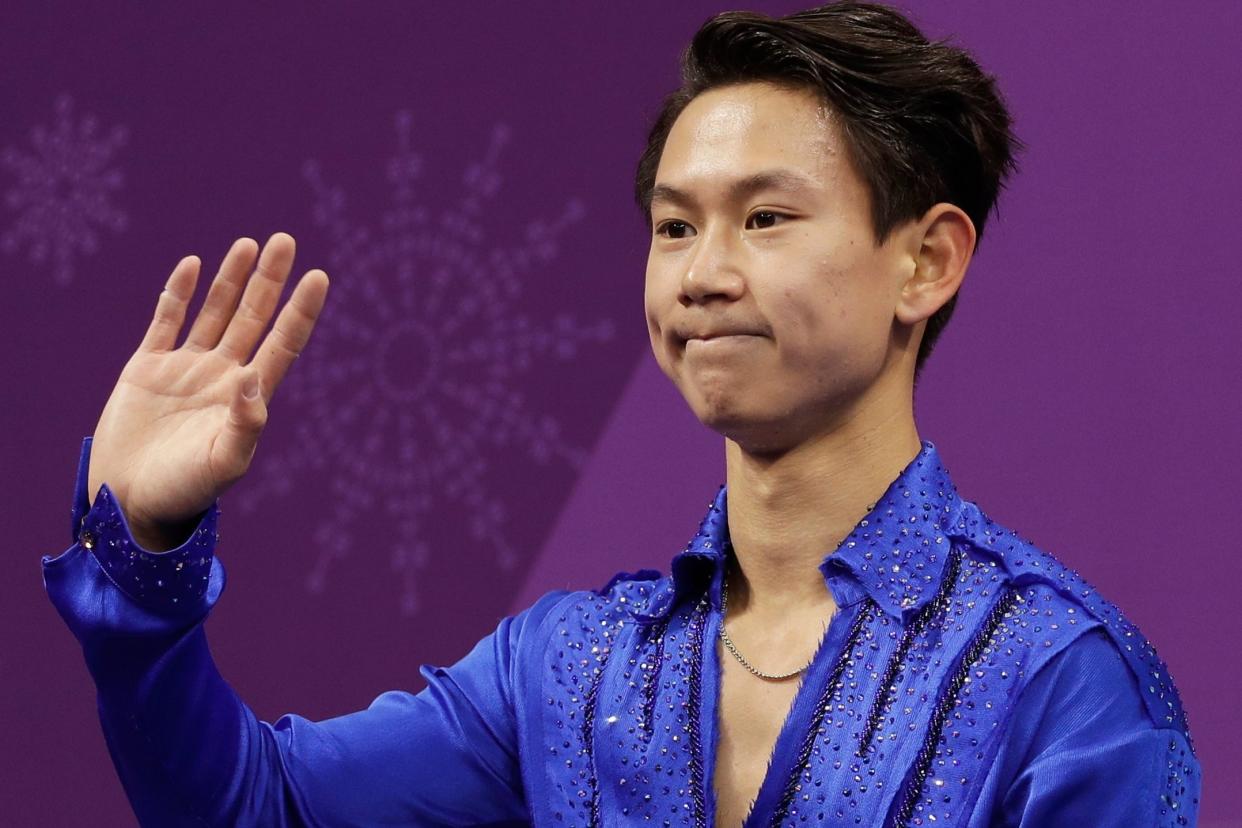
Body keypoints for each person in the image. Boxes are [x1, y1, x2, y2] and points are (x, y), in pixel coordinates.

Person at [44, 2, 1200, 826]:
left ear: (928, 263)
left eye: (766, 219)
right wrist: (143, 550)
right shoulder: (569, 669)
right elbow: (262, 808)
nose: (701, 275)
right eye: (674, 226)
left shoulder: (1066, 685)